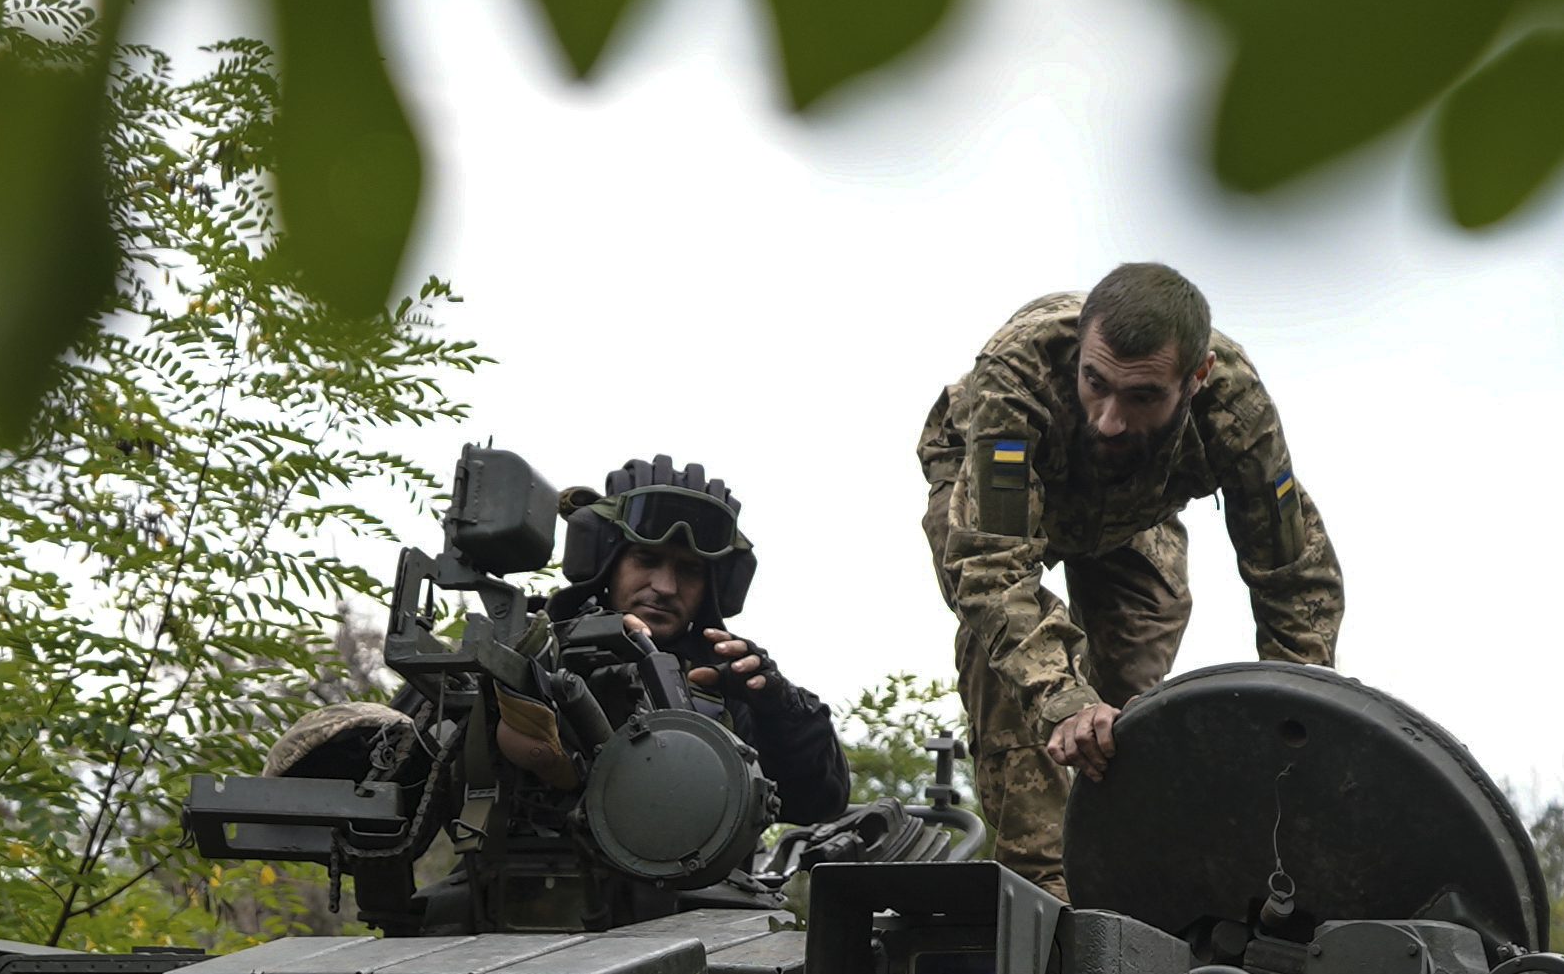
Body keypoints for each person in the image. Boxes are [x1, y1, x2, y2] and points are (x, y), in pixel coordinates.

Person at [915, 261, 1344, 893]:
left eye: (1142, 396)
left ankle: (1125, 879)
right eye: (1095, 383)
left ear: (1194, 379)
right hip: (995, 494)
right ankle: (1045, 888)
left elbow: (1294, 577)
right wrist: (1063, 698)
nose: (1109, 418)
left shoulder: (1238, 409)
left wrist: (1294, 734)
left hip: (1135, 509)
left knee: (1126, 717)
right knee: (1013, 662)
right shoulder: (1016, 373)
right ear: (1081, 352)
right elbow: (991, 568)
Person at [556, 459, 852, 824]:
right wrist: (566, 652)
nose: (665, 587)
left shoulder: (728, 680)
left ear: (714, 585)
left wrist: (780, 712)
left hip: (692, 882)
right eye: (646, 560)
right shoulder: (543, 650)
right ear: (608, 562)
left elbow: (818, 803)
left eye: (689, 569)